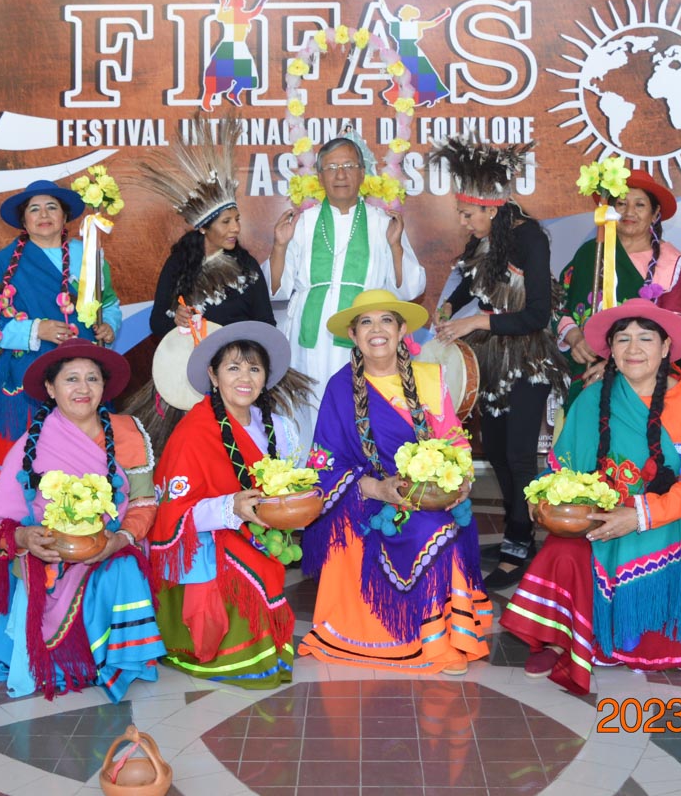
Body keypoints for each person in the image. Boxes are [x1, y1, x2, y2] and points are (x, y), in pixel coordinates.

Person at [502, 300, 681, 694]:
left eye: (645, 338)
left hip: (661, 520)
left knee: (644, 543)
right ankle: (559, 638)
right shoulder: (592, 399)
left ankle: (619, 636)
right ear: (611, 350)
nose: (633, 348)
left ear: (665, 348)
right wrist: (542, 496)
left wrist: (638, 515)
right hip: (595, 517)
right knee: (562, 549)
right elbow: (561, 467)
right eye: (623, 339)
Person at [299, 290, 492, 674]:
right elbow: (324, 465)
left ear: (402, 330)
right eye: (366, 323)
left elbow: (454, 440)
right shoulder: (340, 388)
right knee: (430, 529)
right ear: (353, 335)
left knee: (443, 523)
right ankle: (426, 642)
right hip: (363, 495)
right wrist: (378, 489)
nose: (377, 330)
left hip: (425, 493)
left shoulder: (429, 378)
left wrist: (462, 482)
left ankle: (445, 636)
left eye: (386, 320)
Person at [0, 342, 163, 701]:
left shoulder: (128, 432)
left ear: (104, 387)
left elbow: (143, 503)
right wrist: (27, 538)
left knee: (124, 567)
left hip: (110, 544)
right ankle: (66, 662)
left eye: (92, 378)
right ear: (50, 388)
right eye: (71, 379)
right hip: (49, 554)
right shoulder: (31, 444)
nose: (83, 388)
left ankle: (117, 662)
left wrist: (120, 539)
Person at [430, 137, 566, 590]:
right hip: (491, 360)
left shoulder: (530, 238)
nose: (463, 222)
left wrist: (475, 322)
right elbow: (470, 282)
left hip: (528, 358)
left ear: (490, 208)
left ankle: (519, 541)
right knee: (497, 454)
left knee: (519, 455)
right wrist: (450, 307)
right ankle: (517, 532)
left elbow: (538, 315)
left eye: (467, 214)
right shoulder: (483, 239)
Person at [148, 322, 302, 687]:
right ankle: (223, 649)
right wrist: (230, 507)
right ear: (213, 376)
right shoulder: (194, 431)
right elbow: (174, 511)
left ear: (265, 377)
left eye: (254, 368)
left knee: (261, 558)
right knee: (249, 565)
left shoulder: (279, 427)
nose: (244, 378)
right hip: (210, 535)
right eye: (233, 368)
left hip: (259, 531)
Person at [268, 135, 425, 423]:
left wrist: (395, 246)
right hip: (309, 338)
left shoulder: (383, 223)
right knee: (307, 411)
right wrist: (279, 246)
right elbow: (277, 289)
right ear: (320, 176)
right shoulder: (301, 224)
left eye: (349, 166)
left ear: (362, 173)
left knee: (358, 410)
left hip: (364, 334)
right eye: (331, 168)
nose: (340, 175)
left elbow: (409, 289)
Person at [0, 179, 122, 477]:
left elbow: (109, 303)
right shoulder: (6, 262)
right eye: (34, 209)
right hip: (27, 372)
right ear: (24, 221)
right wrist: (36, 330)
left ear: (65, 216)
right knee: (27, 460)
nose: (43, 215)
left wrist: (109, 324)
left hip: (81, 369)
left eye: (52, 207)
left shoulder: (87, 255)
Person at [556, 169, 681, 400]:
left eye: (640, 205)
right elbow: (558, 303)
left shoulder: (670, 261)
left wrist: (616, 365)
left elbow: (673, 329)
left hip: (642, 379)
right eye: (621, 203)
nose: (629, 212)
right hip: (586, 372)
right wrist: (574, 336)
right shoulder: (590, 253)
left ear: (655, 213)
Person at [142, 116, 275, 336]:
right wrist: (176, 319)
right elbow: (157, 323)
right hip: (190, 356)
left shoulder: (246, 266)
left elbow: (266, 323)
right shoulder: (178, 264)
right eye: (226, 222)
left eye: (237, 219)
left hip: (236, 356)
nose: (235, 228)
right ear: (203, 227)